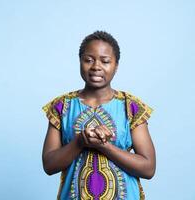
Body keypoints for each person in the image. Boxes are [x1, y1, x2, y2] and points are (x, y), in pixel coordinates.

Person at [41, 31, 156, 200]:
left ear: (116, 65)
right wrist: (80, 142)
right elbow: (49, 165)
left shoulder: (131, 106)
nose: (96, 66)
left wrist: (105, 146)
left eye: (105, 61)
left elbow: (148, 168)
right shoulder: (61, 106)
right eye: (88, 60)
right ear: (80, 62)